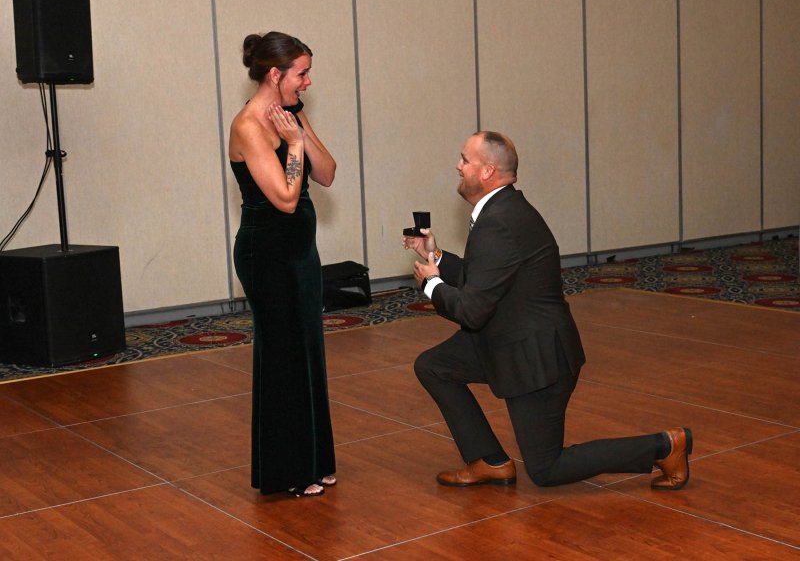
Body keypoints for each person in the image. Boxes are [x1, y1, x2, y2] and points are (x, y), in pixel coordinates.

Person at [402, 131, 692, 490]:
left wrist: (431, 283)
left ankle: (665, 447)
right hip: (508, 337)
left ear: (488, 171)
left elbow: (472, 311)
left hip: (537, 357)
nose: (457, 165)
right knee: (435, 366)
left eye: (465, 159)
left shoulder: (499, 222)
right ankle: (488, 461)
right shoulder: (501, 210)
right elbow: (487, 278)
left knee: (546, 468)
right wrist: (438, 257)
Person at [229, 31, 337, 497]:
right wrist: (292, 145)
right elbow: (287, 198)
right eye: (302, 73)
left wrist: (300, 133)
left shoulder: (291, 114)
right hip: (266, 254)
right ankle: (286, 471)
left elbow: (328, 173)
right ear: (276, 74)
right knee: (282, 357)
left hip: (301, 252)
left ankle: (314, 459)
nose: (308, 82)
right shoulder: (249, 126)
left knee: (308, 350)